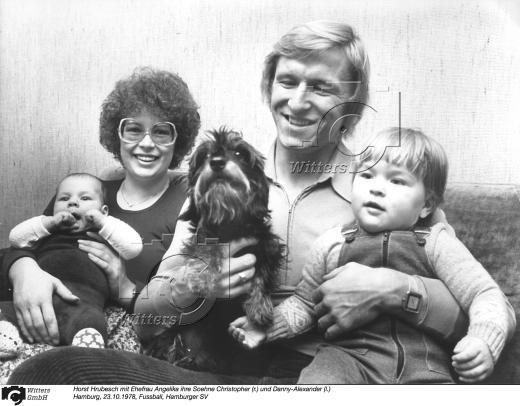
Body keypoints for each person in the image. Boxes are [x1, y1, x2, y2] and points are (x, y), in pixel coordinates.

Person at [8, 21, 468, 384]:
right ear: (269, 88)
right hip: (215, 370)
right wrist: (195, 282)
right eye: (288, 81)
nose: (298, 101)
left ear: (354, 101)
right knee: (50, 373)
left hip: (328, 373)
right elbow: (146, 320)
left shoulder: (385, 188)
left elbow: (470, 312)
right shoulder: (213, 184)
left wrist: (395, 289)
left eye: (321, 87)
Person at [229, 128, 516, 384]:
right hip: (346, 360)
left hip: (425, 366)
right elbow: (305, 304)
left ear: (427, 205)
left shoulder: (436, 243)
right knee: (317, 384)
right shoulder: (332, 243)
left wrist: (483, 340)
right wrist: (266, 328)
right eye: (366, 175)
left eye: (397, 181)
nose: (376, 188)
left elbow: (484, 294)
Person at [1, 67, 200, 347]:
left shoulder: (189, 202)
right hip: (41, 317)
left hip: (107, 332)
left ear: (178, 140)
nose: (146, 143)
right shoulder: (89, 192)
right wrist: (24, 271)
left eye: (161, 132)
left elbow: (187, 304)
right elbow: (25, 242)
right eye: (134, 129)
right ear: (117, 135)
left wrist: (125, 287)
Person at [1, 173, 143, 357]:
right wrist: (49, 222)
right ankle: (7, 334)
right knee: (6, 310)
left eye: (85, 198)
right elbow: (15, 239)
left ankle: (86, 348)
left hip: (81, 300)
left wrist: (102, 222)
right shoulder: (47, 231)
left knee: (90, 320)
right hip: (38, 295)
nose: (73, 202)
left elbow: (133, 248)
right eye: (64, 198)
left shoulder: (105, 232)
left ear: (104, 210)